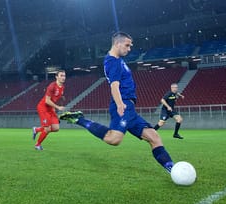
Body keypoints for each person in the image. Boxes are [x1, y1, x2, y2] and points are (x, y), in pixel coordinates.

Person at [59, 32, 174, 173]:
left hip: (130, 108)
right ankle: (80, 120)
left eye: (130, 46)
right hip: (123, 104)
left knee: (154, 137)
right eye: (127, 45)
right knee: (114, 139)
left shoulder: (118, 60)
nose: (129, 48)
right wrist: (120, 104)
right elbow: (114, 85)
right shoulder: (112, 61)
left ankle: (172, 169)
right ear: (117, 44)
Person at [32, 70, 66, 151]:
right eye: (61, 75)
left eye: (64, 76)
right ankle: (37, 145)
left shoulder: (62, 87)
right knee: (47, 129)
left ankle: (37, 129)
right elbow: (47, 101)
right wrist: (57, 107)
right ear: (56, 77)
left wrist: (61, 97)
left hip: (50, 108)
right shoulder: (52, 86)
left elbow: (56, 96)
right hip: (43, 107)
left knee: (56, 128)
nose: (63, 77)